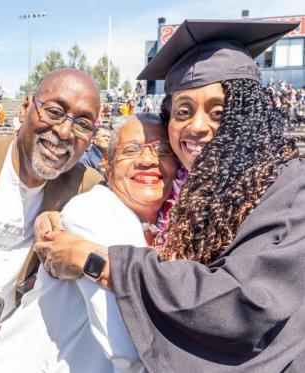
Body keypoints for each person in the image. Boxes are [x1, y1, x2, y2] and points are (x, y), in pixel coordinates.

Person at [32, 20, 305, 372]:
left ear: (247, 115)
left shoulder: (288, 186)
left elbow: (241, 306)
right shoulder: (197, 192)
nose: (197, 126)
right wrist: (58, 213)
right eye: (183, 111)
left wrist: (100, 262)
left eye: (218, 111)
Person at [0, 68, 102, 373]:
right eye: (54, 111)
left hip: (1, 356)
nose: (64, 132)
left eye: (82, 124)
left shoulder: (87, 189)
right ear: (25, 108)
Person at [0, 113, 177, 373]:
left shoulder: (174, 230)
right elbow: (132, 347)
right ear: (107, 166)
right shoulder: (93, 212)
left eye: (163, 150)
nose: (147, 160)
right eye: (131, 150)